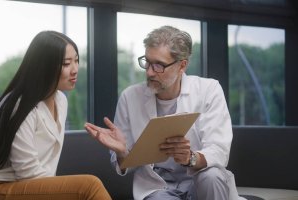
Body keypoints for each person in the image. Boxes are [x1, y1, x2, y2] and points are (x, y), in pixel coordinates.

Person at [85, 26, 243, 200]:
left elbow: (219, 150)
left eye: (159, 65)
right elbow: (126, 165)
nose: (150, 72)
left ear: (182, 65)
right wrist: (123, 153)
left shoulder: (209, 90)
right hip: (158, 186)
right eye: (147, 62)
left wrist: (190, 158)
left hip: (200, 177)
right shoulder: (130, 97)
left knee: (212, 177)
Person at [0, 31, 112, 200]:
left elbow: (46, 168)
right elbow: (27, 172)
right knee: (89, 186)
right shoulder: (19, 105)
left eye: (76, 60)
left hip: (32, 188)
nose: (75, 69)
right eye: (66, 64)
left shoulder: (61, 101)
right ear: (45, 66)